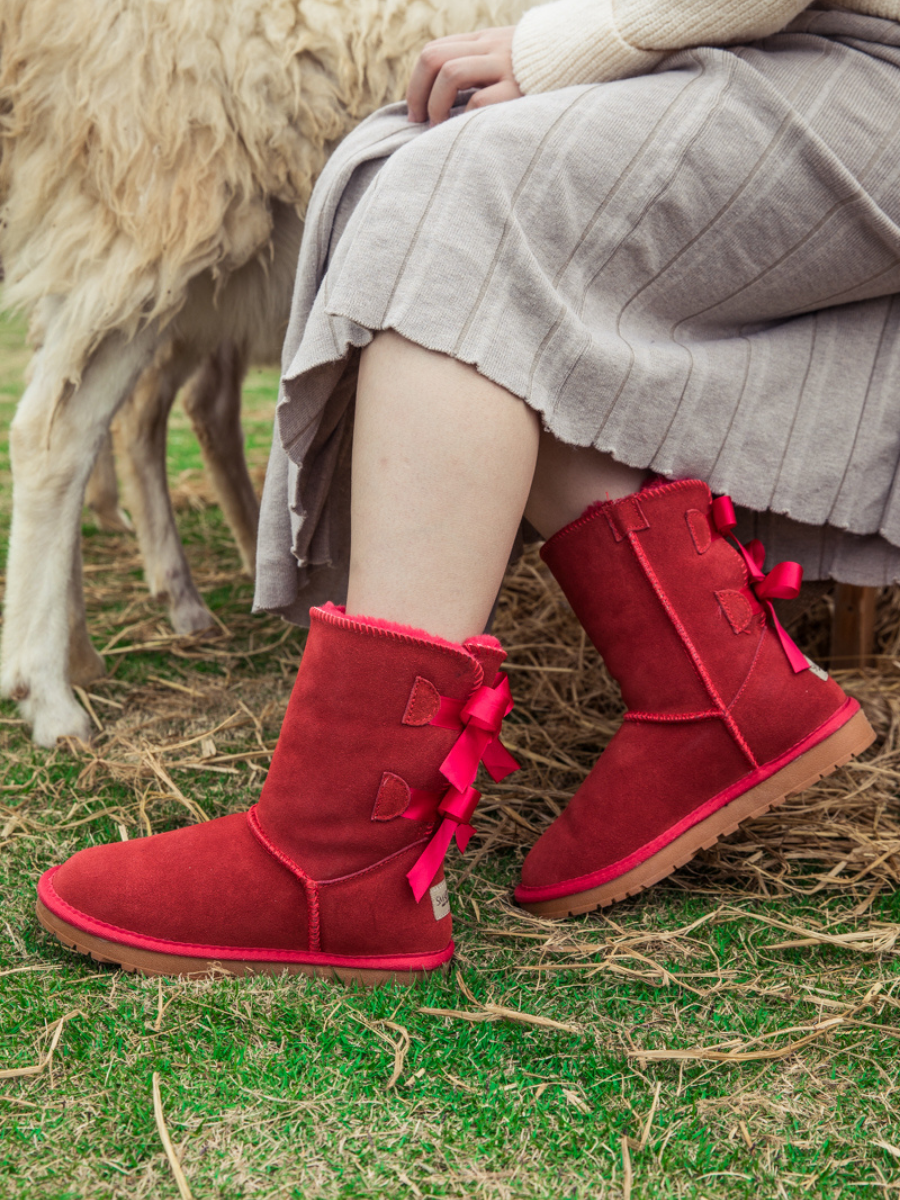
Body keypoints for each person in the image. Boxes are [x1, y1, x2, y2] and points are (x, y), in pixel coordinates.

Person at [35, 0, 900, 982]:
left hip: (864, 70)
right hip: (786, 55)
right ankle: (710, 671)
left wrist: (575, 42)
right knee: (394, 169)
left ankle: (345, 851)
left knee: (460, 196)